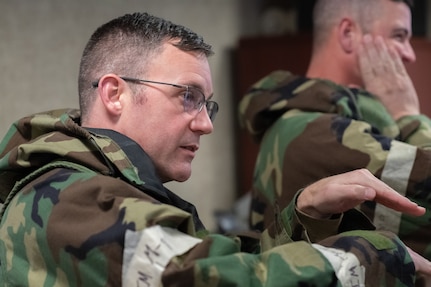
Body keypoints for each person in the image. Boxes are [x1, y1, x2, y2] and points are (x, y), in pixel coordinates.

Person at [0, 11, 430, 287]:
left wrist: (304, 214)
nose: (205, 124)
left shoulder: (101, 186)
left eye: (208, 104)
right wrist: (373, 256)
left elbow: (204, 257)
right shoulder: (71, 200)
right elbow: (219, 281)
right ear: (114, 94)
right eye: (187, 96)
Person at [239, 0, 431, 268]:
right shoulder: (320, 130)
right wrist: (408, 116)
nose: (409, 54)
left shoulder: (304, 117)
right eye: (399, 36)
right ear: (348, 34)